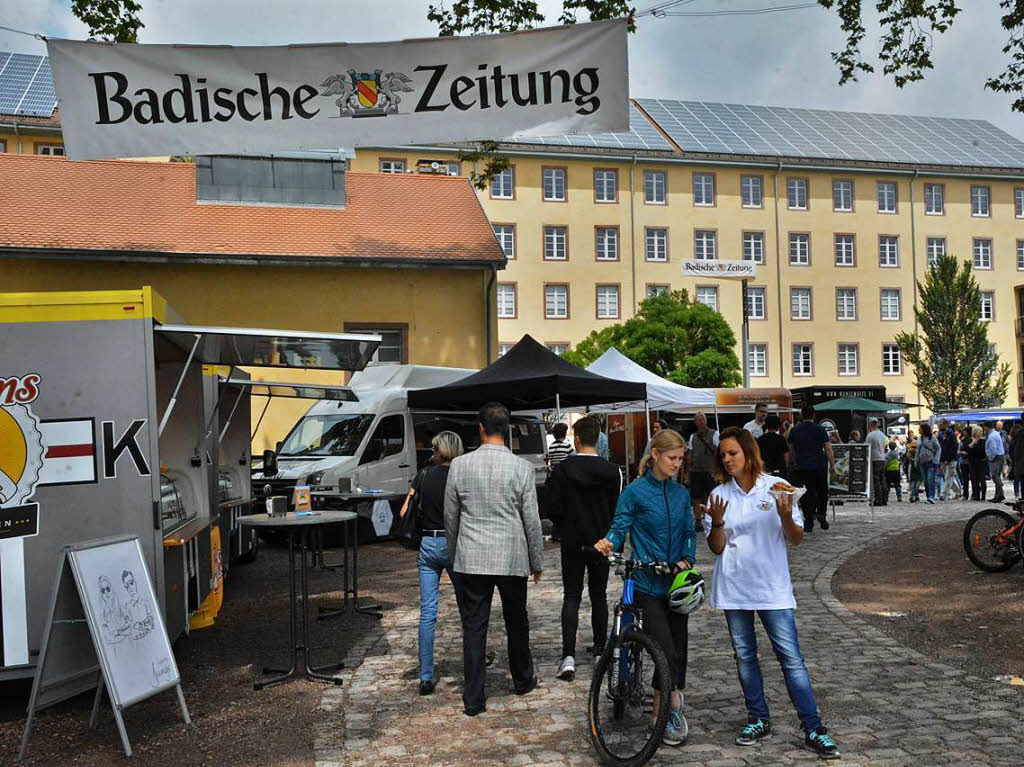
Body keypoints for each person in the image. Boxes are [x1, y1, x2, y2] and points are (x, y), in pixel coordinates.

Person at [701, 427, 841, 760]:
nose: (727, 459)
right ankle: (758, 718)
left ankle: (813, 727)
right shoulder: (719, 495)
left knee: (792, 660)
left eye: (732, 452)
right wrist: (718, 523)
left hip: (772, 588)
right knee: (745, 657)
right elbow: (716, 548)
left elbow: (796, 538)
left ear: (749, 453)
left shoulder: (777, 488)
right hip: (734, 587)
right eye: (723, 454)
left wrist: (784, 515)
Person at [594, 428, 696, 747]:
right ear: (655, 455)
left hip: (676, 584)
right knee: (665, 648)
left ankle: (664, 713)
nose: (677, 464)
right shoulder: (636, 492)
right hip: (646, 583)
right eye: (672, 458)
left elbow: (689, 533)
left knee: (679, 652)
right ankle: (665, 712)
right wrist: (608, 543)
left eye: (681, 458)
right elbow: (619, 525)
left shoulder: (680, 494)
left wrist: (687, 558)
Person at [445, 402, 544, 716]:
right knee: (517, 621)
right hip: (511, 554)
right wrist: (536, 560)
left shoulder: (459, 466)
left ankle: (474, 697)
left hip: (472, 556)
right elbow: (532, 519)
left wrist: (454, 553)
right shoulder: (522, 468)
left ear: (481, 428)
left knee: (474, 626)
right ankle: (523, 678)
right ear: (509, 429)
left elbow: (451, 517)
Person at [544, 416, 623, 682]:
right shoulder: (613, 471)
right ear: (598, 438)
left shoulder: (563, 469)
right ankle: (600, 649)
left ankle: (568, 656)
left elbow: (552, 508)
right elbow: (617, 511)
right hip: (602, 543)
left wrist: (566, 523)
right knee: (598, 596)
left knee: (572, 596)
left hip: (573, 541)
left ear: (576, 439)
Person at [399, 430, 464, 695]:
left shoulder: (423, 476)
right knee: (468, 608)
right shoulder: (460, 475)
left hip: (428, 544)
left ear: (437, 451)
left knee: (428, 613)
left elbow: (405, 511)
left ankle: (426, 675)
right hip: (454, 544)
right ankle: (475, 659)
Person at [787, 405, 836, 532]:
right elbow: (828, 448)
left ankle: (808, 520)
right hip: (819, 465)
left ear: (801, 415)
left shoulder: (795, 430)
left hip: (802, 467)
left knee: (806, 493)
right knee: (822, 491)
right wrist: (832, 464)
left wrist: (792, 462)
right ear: (814, 415)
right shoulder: (820, 429)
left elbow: (791, 449)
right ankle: (821, 513)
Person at [915, 423, 941, 504]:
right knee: (925, 481)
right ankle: (928, 496)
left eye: (920, 428)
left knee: (930, 480)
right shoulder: (919, 438)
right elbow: (917, 451)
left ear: (924, 429)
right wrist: (916, 461)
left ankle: (931, 497)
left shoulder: (932, 438)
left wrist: (936, 459)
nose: (918, 430)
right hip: (921, 462)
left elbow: (938, 448)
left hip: (930, 462)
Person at [865, 418, 888, 507]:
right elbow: (885, 446)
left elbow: (867, 447)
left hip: (874, 458)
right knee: (883, 479)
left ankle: (878, 499)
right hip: (882, 458)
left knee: (876, 480)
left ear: (870, 424)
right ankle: (884, 499)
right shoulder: (882, 434)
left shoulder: (870, 435)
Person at [937, 418, 961, 501]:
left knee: (948, 477)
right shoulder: (940, 435)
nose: (939, 425)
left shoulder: (952, 434)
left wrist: (948, 459)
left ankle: (944, 494)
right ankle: (958, 491)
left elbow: (954, 448)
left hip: (951, 460)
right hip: (942, 459)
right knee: (949, 477)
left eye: (941, 424)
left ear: (946, 425)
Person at [985, 421, 1007, 502]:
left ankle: (1000, 494)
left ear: (987, 427)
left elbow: (993, 449)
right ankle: (997, 495)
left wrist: (990, 458)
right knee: (996, 476)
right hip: (1000, 456)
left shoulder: (992, 436)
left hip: (996, 457)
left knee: (995, 476)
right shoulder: (995, 434)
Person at [966, 425, 988, 501]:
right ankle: (977, 496)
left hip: (982, 462)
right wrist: (973, 442)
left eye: (982, 431)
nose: (981, 433)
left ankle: (983, 496)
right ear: (975, 432)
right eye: (980, 431)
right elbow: (968, 450)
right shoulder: (970, 440)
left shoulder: (983, 441)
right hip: (973, 463)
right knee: (975, 480)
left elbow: (984, 452)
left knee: (982, 480)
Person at [1010, 424, 1024, 500]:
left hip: (1018, 462)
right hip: (1019, 462)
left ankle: (1017, 494)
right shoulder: (1018, 437)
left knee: (1018, 479)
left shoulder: (1015, 438)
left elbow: (1013, 451)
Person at [905, 437, 921, 502]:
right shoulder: (919, 452)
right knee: (917, 481)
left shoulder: (910, 451)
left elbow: (907, 458)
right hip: (918, 467)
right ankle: (915, 495)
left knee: (913, 481)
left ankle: (913, 495)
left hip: (912, 468)